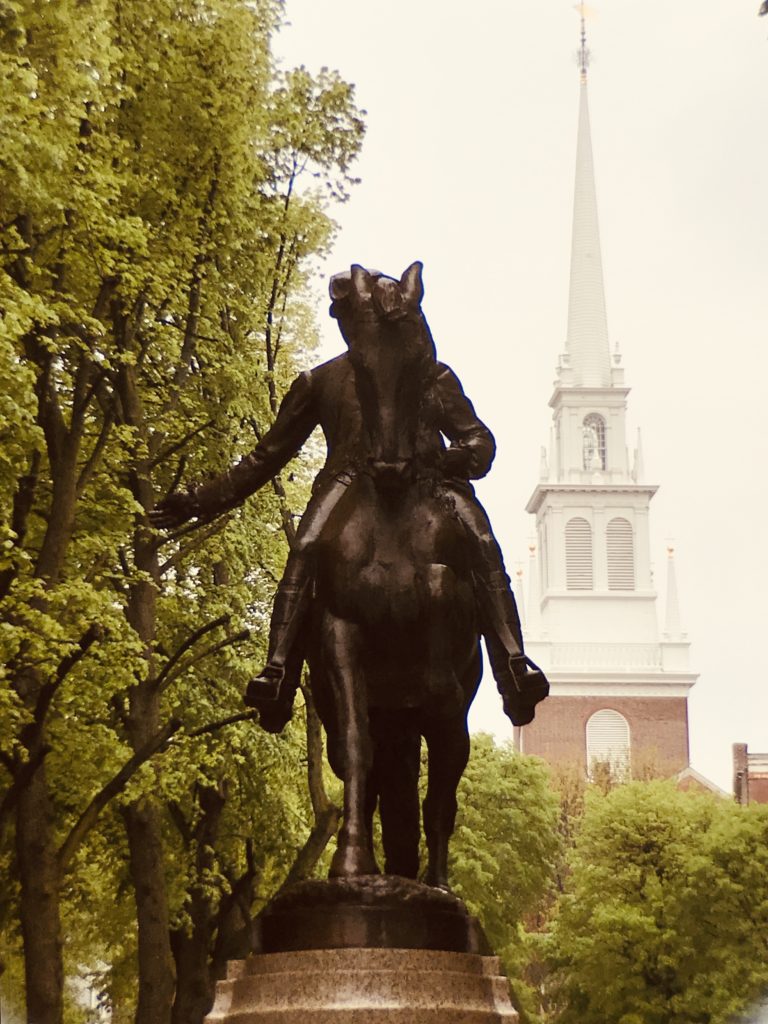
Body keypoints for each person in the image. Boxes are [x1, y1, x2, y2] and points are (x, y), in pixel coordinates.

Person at [152, 262, 547, 731]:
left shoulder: (429, 374)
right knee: (305, 547)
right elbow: (264, 459)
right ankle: (277, 669)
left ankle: (512, 665)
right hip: (346, 485)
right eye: (345, 317)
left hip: (427, 484)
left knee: (482, 543)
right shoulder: (319, 382)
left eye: (357, 315)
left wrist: (451, 462)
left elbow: (478, 439)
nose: (352, 325)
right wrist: (199, 500)